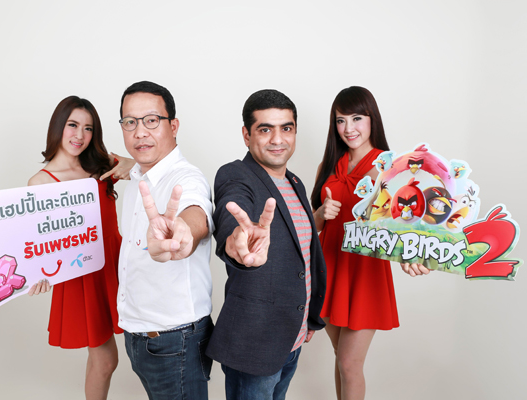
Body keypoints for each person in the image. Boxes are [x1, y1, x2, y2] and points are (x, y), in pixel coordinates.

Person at [207, 89, 327, 400]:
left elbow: (303, 254)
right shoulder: (236, 174)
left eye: (286, 128)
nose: (277, 139)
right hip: (255, 343)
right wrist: (237, 239)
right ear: (247, 135)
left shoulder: (295, 182)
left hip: (292, 335)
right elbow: (232, 208)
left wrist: (310, 318)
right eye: (265, 129)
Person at [310, 86, 429, 400]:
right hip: (329, 267)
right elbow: (312, 227)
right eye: (340, 120)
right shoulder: (328, 166)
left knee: (349, 364)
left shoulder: (390, 168)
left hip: (365, 272)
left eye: (356, 118)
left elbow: (403, 223)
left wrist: (409, 254)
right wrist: (320, 213)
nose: (348, 128)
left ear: (372, 119)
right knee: (342, 360)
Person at [28, 96, 134, 400]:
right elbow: (38, 240)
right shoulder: (40, 183)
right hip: (83, 272)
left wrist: (128, 164)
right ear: (57, 127)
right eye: (72, 125)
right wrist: (39, 272)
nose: (79, 135)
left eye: (88, 128)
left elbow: (138, 165)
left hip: (116, 262)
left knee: (121, 350)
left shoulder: (101, 165)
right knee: (106, 359)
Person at [115, 81, 214, 400]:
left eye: (151, 120)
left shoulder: (185, 178)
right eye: (130, 122)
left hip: (175, 341)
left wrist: (182, 232)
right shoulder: (137, 178)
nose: (140, 132)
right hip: (139, 334)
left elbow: (195, 213)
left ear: (173, 126)